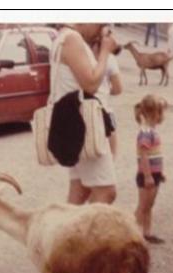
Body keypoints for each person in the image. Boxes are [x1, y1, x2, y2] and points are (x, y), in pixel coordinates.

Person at [50, 24, 119, 205]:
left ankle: (66, 233)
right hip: (85, 126)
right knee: (107, 191)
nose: (101, 29)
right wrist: (105, 52)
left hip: (72, 123)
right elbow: (90, 84)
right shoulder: (72, 39)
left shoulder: (64, 37)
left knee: (80, 190)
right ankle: (84, 233)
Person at [134, 95, 167, 244]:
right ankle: (131, 232)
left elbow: (155, 154)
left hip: (154, 174)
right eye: (161, 112)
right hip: (148, 175)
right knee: (143, 206)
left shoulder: (152, 131)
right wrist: (147, 176)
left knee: (149, 205)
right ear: (154, 113)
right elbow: (144, 155)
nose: (163, 116)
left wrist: (160, 173)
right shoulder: (146, 132)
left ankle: (146, 233)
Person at [90, 33, 122, 159]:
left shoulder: (83, 54)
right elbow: (118, 88)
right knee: (112, 130)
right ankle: (112, 159)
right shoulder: (110, 59)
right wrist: (107, 90)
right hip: (103, 107)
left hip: (84, 105)